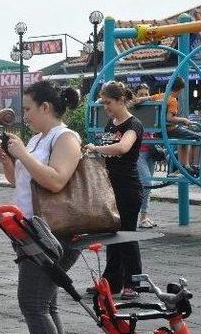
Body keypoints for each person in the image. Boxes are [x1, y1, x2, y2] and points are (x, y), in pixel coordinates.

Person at [0, 81, 81, 334]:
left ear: (46, 107)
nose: (26, 115)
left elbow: (56, 180)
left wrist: (21, 154)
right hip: (33, 231)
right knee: (46, 304)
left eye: (29, 108)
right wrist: (10, 162)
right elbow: (24, 182)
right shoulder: (36, 138)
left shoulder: (65, 138)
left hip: (55, 235)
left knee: (33, 304)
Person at [85, 81, 143, 300]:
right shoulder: (111, 124)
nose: (106, 107)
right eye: (103, 103)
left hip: (128, 188)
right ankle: (112, 282)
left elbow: (122, 148)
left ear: (120, 100)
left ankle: (133, 282)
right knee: (111, 235)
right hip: (110, 188)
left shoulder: (133, 124)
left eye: (108, 103)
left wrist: (96, 147)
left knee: (126, 235)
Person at [135, 76, 200, 174]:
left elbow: (147, 98)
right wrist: (184, 119)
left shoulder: (160, 96)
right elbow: (169, 118)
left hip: (159, 131)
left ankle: (184, 164)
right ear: (179, 90)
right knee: (196, 136)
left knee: (184, 137)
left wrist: (138, 100)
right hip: (169, 130)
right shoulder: (173, 100)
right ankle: (192, 165)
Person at [130, 84, 158, 228]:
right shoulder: (132, 108)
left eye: (146, 94)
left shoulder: (152, 107)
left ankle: (144, 217)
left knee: (148, 185)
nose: (143, 97)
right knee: (146, 182)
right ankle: (138, 217)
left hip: (151, 151)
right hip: (140, 151)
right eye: (140, 94)